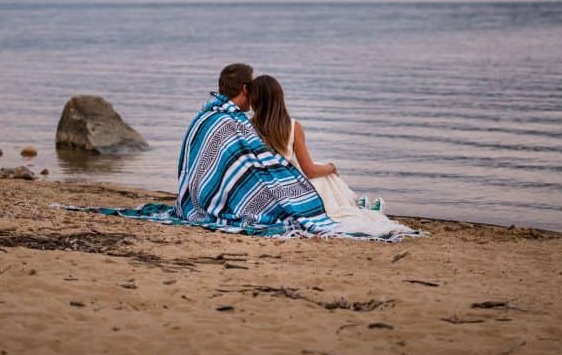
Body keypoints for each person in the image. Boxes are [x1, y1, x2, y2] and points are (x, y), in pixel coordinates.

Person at [172, 64, 336, 236]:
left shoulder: (207, 116)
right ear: (245, 89)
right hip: (221, 201)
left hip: (197, 198)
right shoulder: (233, 123)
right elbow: (250, 171)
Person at [248, 74, 416, 238]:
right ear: (279, 99)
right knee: (325, 175)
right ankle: (356, 208)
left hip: (263, 192)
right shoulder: (292, 127)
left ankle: (356, 207)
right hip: (290, 191)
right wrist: (332, 167)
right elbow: (309, 171)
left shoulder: (246, 127)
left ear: (254, 100)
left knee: (320, 172)